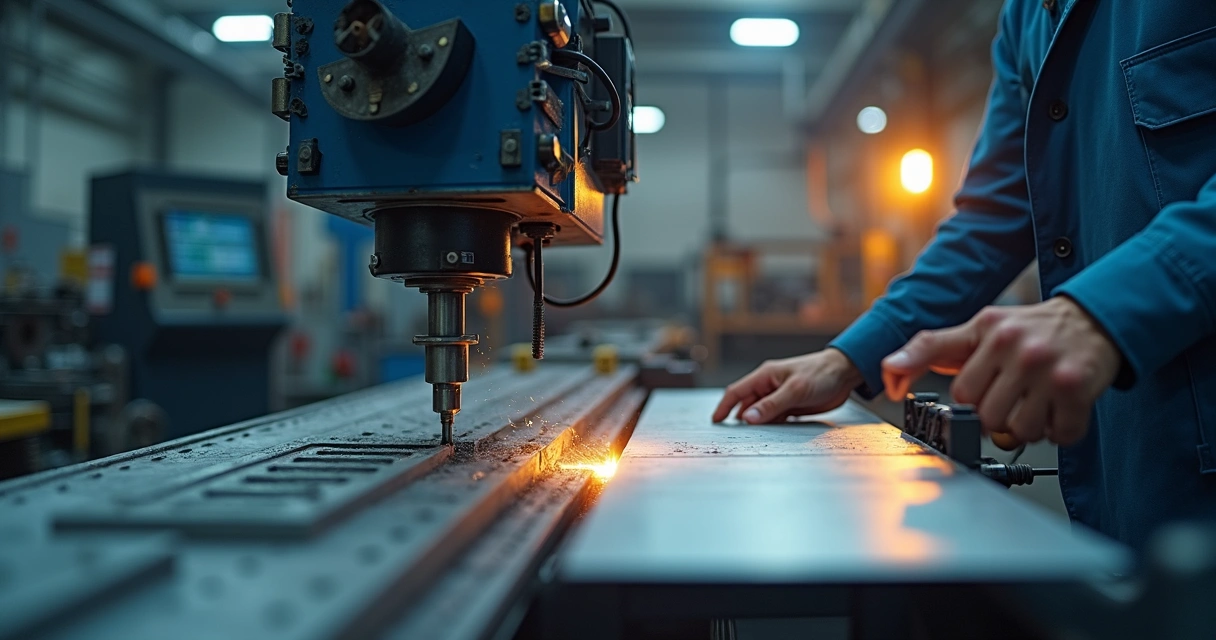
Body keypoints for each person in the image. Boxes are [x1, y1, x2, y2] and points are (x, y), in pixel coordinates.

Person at [713, 0, 1216, 549]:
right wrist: (851, 355)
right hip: (1126, 458)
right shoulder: (1027, 17)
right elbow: (994, 217)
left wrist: (1107, 311)